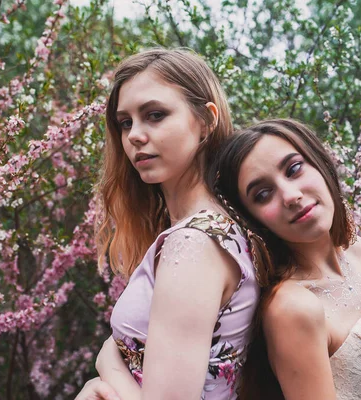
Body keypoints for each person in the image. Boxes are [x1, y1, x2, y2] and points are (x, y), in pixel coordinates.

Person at [76, 48, 260, 400]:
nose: (133, 136)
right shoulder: (208, 229)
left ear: (206, 121)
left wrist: (108, 367)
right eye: (125, 122)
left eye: (155, 115)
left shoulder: (195, 244)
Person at [210, 118, 361, 400]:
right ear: (254, 220)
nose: (291, 196)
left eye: (294, 169)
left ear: (320, 163)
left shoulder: (358, 251)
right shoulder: (292, 307)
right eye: (263, 194)